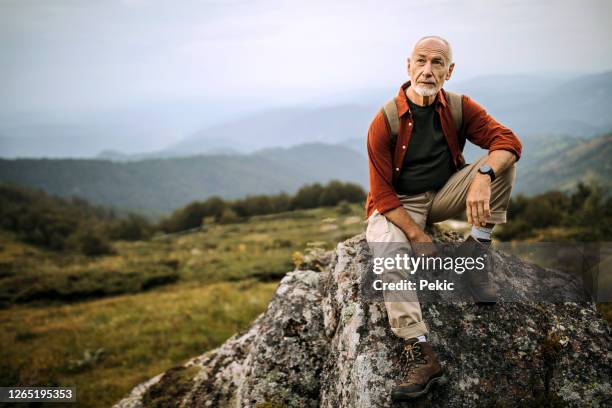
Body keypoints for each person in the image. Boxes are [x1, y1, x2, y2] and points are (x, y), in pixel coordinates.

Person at [364, 35, 522, 401]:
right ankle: (419, 349)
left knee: (502, 163)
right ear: (408, 66)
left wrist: (483, 177)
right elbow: (383, 194)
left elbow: (509, 140)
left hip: (445, 193)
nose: (428, 70)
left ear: (449, 71)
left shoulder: (458, 107)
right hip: (398, 203)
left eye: (438, 63)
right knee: (389, 252)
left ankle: (476, 252)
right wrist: (417, 237)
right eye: (421, 61)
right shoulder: (384, 120)